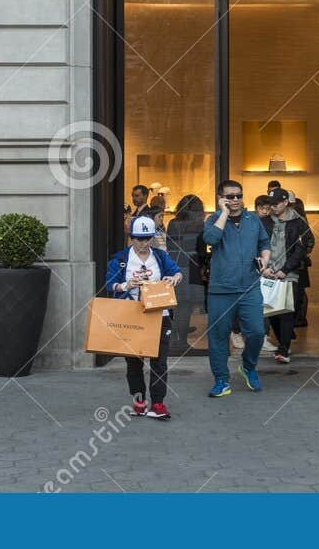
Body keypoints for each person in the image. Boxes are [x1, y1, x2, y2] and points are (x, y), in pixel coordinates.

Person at [103, 215, 183, 419]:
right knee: (134, 362)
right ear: (132, 238)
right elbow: (109, 285)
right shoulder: (121, 259)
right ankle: (139, 401)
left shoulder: (160, 256)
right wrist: (126, 285)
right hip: (131, 315)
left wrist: (173, 278)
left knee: (159, 362)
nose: (144, 243)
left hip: (159, 314)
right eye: (139, 239)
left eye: (147, 238)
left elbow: (178, 273)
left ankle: (158, 403)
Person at [202, 179, 270, 397]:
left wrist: (265, 260)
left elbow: (264, 243)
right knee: (219, 336)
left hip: (250, 286)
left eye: (239, 196)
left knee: (257, 332)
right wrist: (223, 213)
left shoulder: (252, 220)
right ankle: (221, 380)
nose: (236, 200)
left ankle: (248, 366)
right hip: (221, 289)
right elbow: (211, 239)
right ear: (221, 198)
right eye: (230, 196)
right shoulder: (213, 219)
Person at [259, 191, 313, 363]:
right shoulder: (264, 221)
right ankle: (284, 342)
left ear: (285, 202)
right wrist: (263, 267)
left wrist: (286, 268)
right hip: (267, 272)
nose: (273, 207)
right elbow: (256, 244)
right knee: (271, 311)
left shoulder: (298, 222)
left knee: (287, 310)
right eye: (270, 204)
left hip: (289, 273)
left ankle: (284, 349)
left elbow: (304, 246)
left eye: (276, 203)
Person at [163, 194, 207, 354]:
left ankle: (174, 340)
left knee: (176, 306)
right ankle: (181, 342)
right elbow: (202, 250)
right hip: (192, 267)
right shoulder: (199, 225)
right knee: (185, 307)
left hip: (175, 266)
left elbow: (169, 244)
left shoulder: (173, 223)